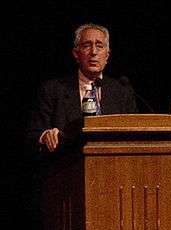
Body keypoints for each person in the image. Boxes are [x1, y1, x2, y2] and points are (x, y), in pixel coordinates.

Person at [27, 22, 137, 154]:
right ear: (76, 54)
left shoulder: (121, 91)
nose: (93, 52)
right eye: (87, 46)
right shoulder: (53, 90)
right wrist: (45, 136)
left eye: (99, 46)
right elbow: (32, 135)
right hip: (66, 166)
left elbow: (134, 134)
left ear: (107, 56)